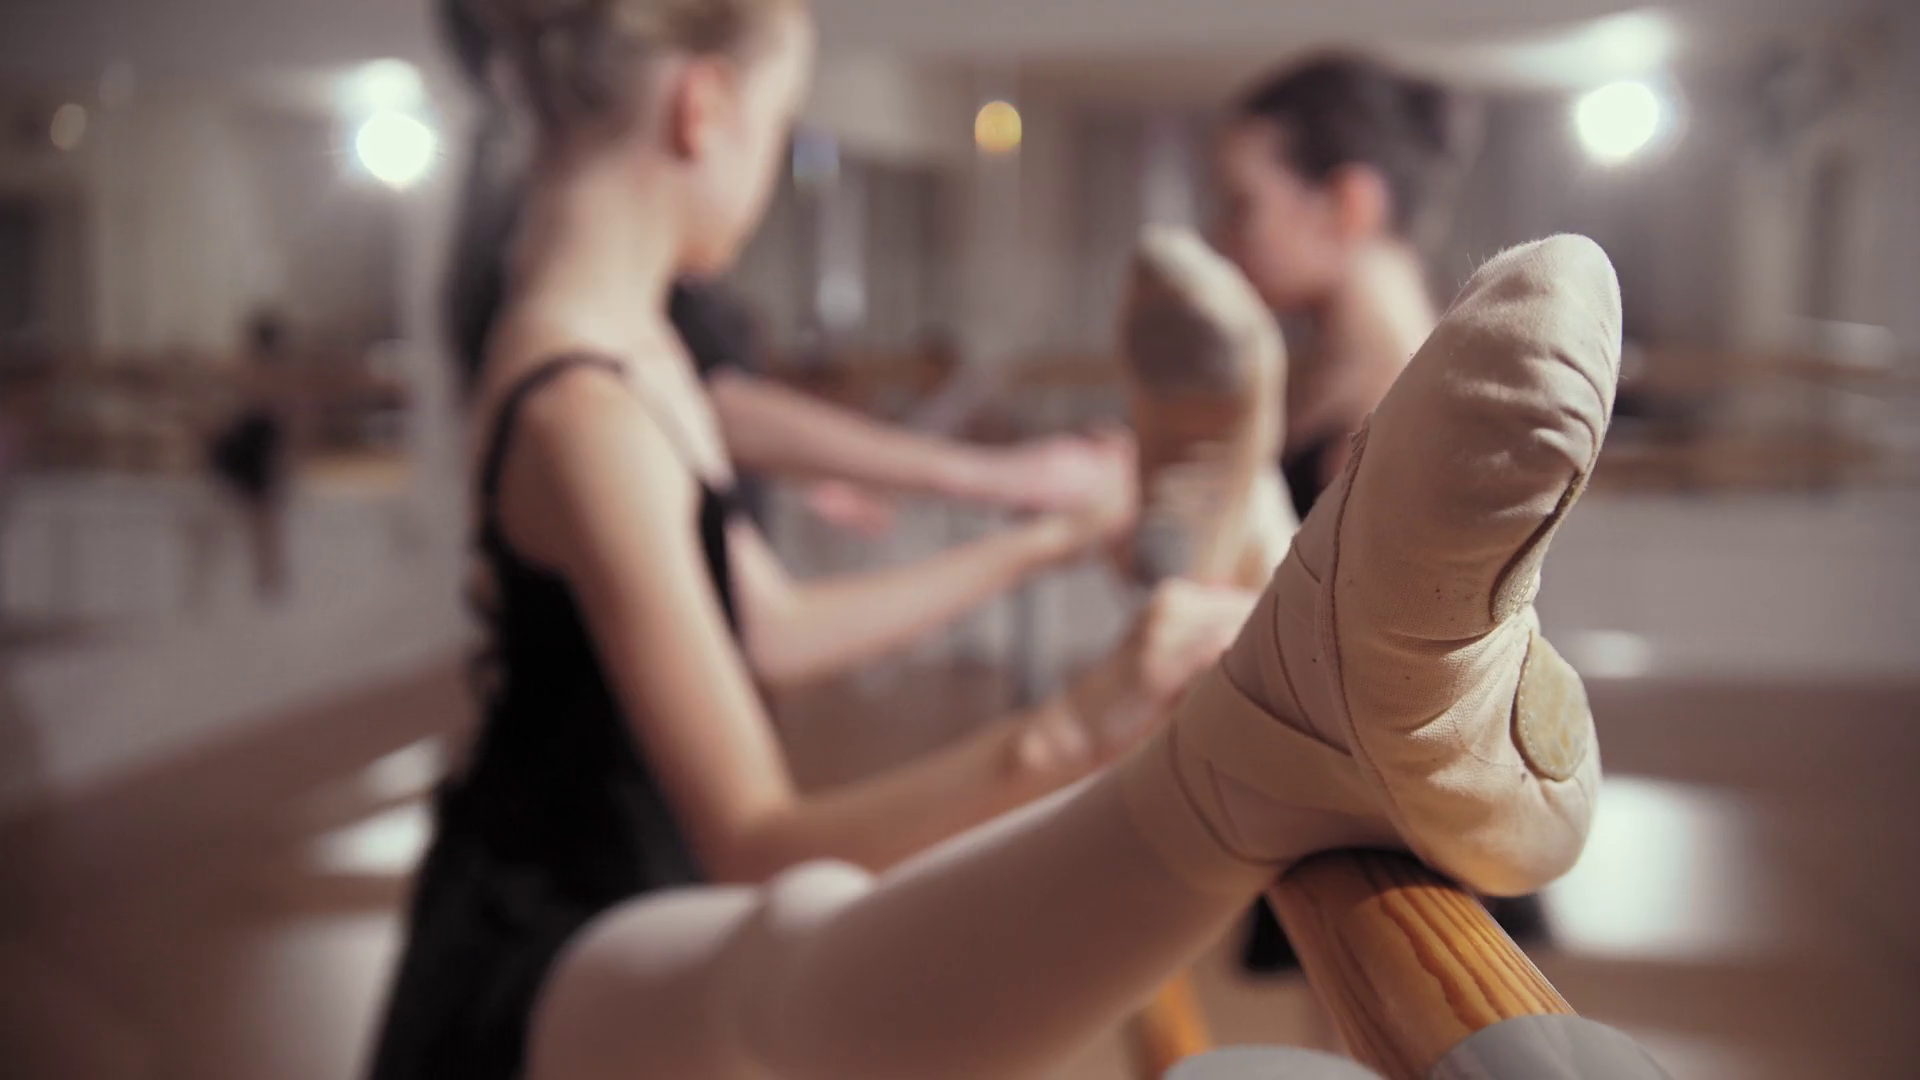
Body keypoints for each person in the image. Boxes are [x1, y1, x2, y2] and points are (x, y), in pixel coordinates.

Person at [364, 1, 1621, 1076]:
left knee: (784, 948)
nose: (768, 162)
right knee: (787, 949)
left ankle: (1270, 589)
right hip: (550, 925)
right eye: (779, 121)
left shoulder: (633, 353)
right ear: (703, 111)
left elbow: (769, 626)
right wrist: (1082, 720)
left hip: (633, 875)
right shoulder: (586, 401)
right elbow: (754, 832)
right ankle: (1261, 721)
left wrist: (1038, 526)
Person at [1211, 53, 1551, 974]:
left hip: (1409, 813)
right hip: (1339, 789)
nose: (1225, 236)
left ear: (1347, 204)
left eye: (1245, 204)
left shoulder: (1417, 402)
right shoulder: (1324, 380)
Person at [207, 309, 296, 600]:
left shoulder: (265, 372)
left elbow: (276, 416)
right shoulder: (256, 371)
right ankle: (266, 577)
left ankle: (268, 577)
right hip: (249, 444)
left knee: (262, 518)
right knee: (259, 518)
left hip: (256, 443)